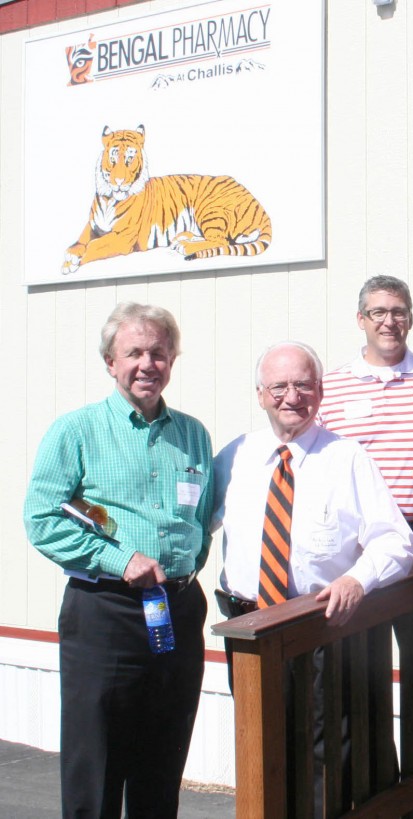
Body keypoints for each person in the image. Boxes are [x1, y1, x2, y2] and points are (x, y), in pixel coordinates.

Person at [24, 302, 214, 818]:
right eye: (134, 353)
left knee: (162, 761)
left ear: (172, 360)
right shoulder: (76, 431)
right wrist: (117, 558)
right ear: (110, 361)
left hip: (176, 610)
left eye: (158, 352)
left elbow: (201, 522)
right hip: (106, 612)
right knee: (98, 765)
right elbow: (42, 519)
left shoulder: (193, 434)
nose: (147, 364)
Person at [213, 340, 413, 813]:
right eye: (279, 386)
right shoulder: (235, 457)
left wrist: (356, 580)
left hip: (319, 629)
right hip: (250, 632)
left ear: (321, 392)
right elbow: (191, 524)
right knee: (260, 750)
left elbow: (395, 540)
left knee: (325, 756)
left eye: (303, 385)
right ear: (261, 394)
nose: (291, 396)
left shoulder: (347, 458)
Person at [318, 276, 413, 555]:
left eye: (398, 312)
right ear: (361, 319)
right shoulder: (329, 387)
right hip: (359, 539)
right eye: (378, 312)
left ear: (410, 319)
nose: (389, 322)